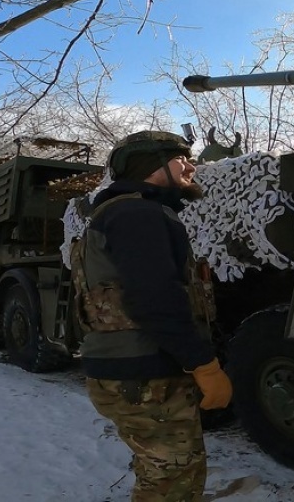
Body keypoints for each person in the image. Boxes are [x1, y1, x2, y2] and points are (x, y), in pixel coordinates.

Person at [71, 130, 233, 502]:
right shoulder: (138, 213)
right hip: (144, 375)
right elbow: (154, 298)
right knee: (172, 482)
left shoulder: (119, 212)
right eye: (181, 158)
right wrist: (204, 366)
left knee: (161, 473)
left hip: (131, 371)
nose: (191, 166)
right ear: (151, 166)